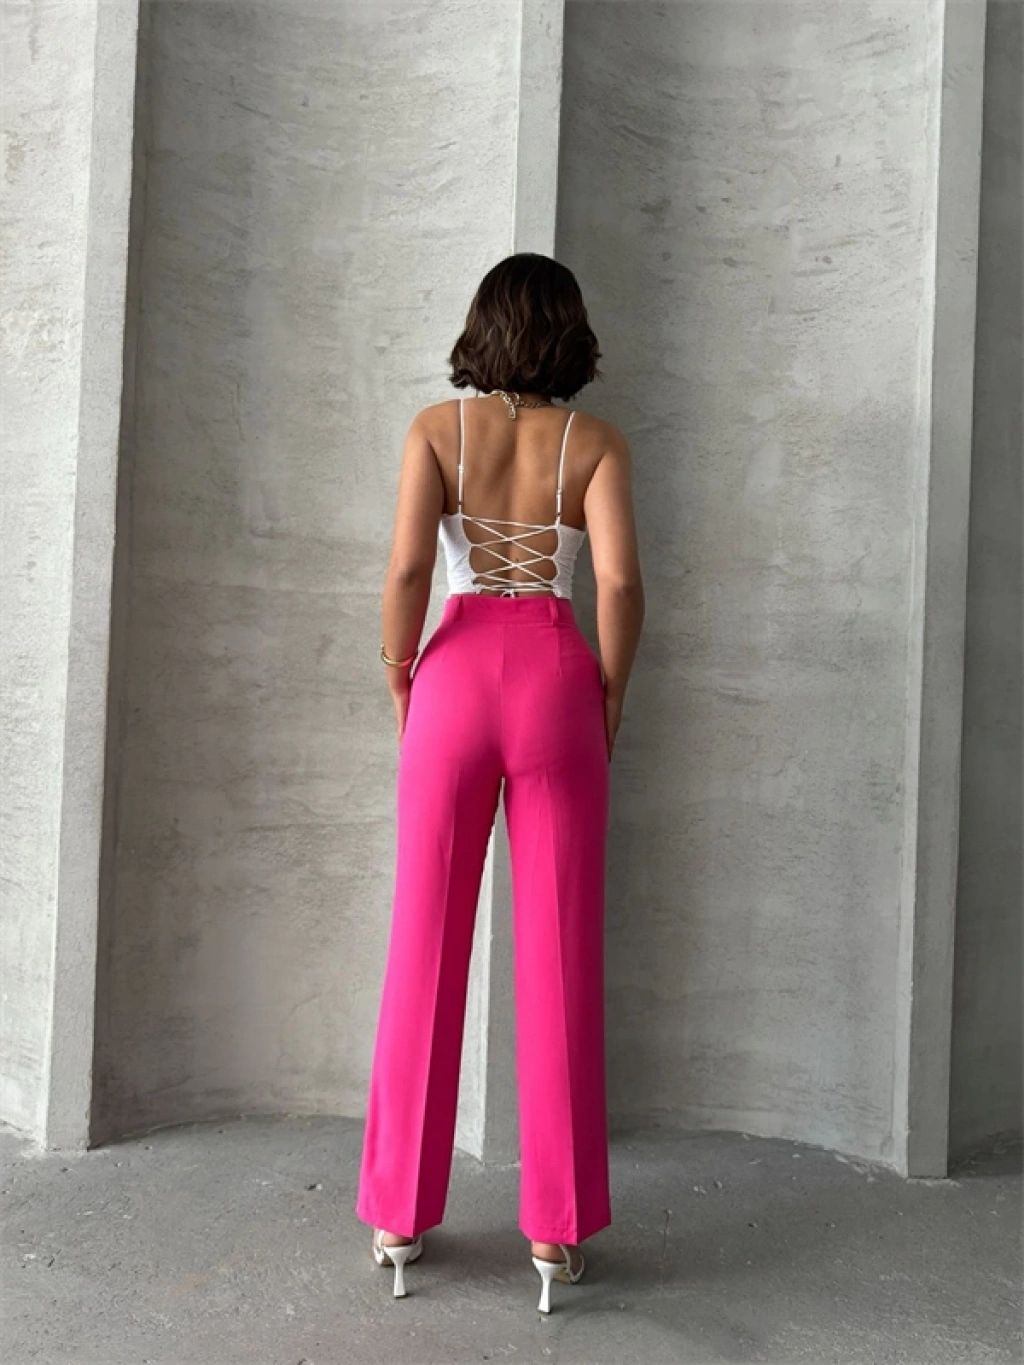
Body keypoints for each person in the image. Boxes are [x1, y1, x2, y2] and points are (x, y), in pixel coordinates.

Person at [355, 252, 645, 1312]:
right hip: (556, 680)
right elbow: (618, 582)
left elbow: (406, 571)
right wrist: (609, 694)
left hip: (454, 678)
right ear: (570, 335)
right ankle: (555, 1236)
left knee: (423, 941)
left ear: (483, 328)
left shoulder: (437, 430)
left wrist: (400, 673)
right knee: (560, 949)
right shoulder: (594, 443)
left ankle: (398, 1216)